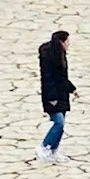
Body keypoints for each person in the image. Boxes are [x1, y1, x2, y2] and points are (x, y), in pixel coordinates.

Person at [37, 31, 77, 163]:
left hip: (61, 94)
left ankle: (53, 150)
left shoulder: (59, 55)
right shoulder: (52, 58)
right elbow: (54, 79)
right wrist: (52, 97)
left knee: (62, 123)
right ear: (62, 42)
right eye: (67, 41)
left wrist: (71, 89)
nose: (69, 44)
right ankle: (44, 146)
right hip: (52, 95)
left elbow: (62, 78)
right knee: (58, 122)